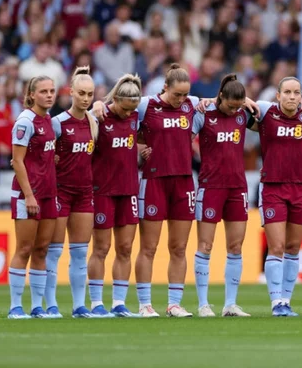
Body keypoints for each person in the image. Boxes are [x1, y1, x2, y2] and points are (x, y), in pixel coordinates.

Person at [95, 64, 200, 318]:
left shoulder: (192, 105)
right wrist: (99, 103)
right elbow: (119, 106)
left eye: (186, 95)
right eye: (177, 94)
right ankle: (144, 303)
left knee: (178, 247)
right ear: (165, 87)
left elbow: (222, 100)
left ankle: (174, 304)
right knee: (148, 247)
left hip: (184, 182)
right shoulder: (145, 105)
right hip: (153, 182)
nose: (182, 100)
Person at [249, 77, 302, 316]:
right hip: (273, 187)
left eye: (296, 93)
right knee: (276, 246)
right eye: (287, 92)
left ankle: (286, 300)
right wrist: (245, 98)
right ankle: (276, 303)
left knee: (293, 247)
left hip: (299, 187)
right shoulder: (265, 111)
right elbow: (241, 105)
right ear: (278, 95)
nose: (292, 97)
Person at [192, 74, 251, 317]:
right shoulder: (203, 114)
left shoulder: (244, 114)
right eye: (230, 105)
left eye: (239, 105)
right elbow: (182, 135)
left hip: (237, 187)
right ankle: (203, 304)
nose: (234, 109)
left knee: (235, 246)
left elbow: (273, 113)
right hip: (210, 186)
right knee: (205, 245)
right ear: (220, 97)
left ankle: (230, 304)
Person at [87, 74, 143, 317]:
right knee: (101, 248)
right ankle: (96, 303)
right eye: (124, 107)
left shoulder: (136, 116)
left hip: (129, 190)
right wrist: (95, 104)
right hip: (103, 191)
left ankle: (119, 302)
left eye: (132, 108)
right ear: (116, 99)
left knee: (125, 248)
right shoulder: (98, 117)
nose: (127, 113)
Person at [45, 67, 98, 318]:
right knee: (53, 251)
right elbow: (43, 154)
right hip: (60, 193)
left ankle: (79, 306)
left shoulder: (94, 123)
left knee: (79, 252)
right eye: (82, 93)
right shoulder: (57, 124)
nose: (86, 98)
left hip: (84, 194)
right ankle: (51, 304)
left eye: (90, 94)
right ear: (71, 93)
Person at [8, 76, 58, 319]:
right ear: (31, 95)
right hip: (29, 194)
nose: (49, 95)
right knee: (24, 248)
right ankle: (16, 306)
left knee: (41, 250)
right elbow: (17, 161)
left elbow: (42, 156)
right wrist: (29, 196)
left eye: (52, 91)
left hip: (49, 193)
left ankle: (37, 306)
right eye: (43, 91)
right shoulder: (25, 121)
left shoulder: (48, 120)